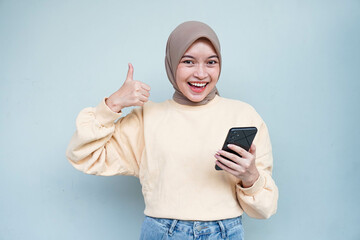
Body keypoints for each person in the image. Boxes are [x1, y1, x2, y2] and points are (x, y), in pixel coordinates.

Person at [66, 21, 278, 240]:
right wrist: (113, 103)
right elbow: (82, 155)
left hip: (227, 233)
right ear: (172, 62)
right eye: (188, 61)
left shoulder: (243, 115)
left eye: (211, 62)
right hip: (162, 233)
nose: (201, 73)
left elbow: (265, 208)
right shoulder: (147, 118)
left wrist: (250, 177)